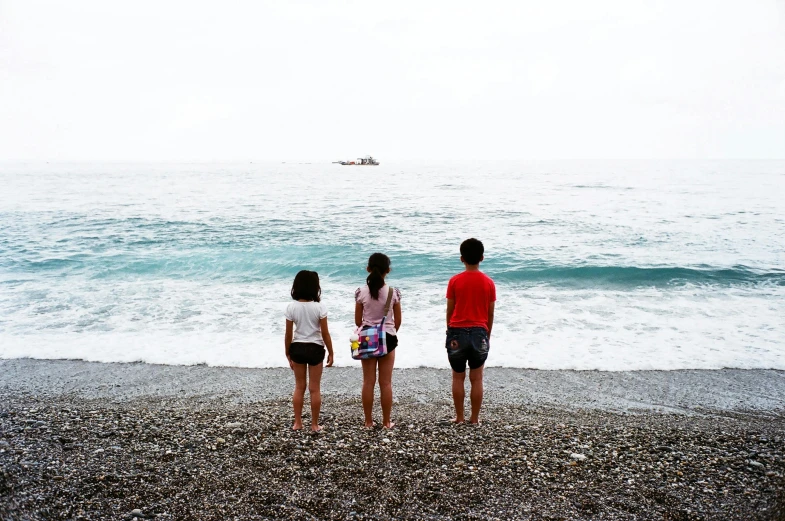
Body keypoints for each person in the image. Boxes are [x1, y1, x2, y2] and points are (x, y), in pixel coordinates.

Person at [445, 238, 496, 425]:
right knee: (477, 377)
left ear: (461, 258)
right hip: (479, 332)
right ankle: (474, 419)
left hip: (457, 331)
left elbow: (450, 310)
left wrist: (448, 329)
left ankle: (459, 417)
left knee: (458, 377)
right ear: (482, 257)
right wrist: (487, 333)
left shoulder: (454, 281)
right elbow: (490, 313)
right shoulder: (489, 283)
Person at [355, 253, 402, 429]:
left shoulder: (361, 292)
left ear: (368, 269)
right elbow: (398, 321)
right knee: (386, 382)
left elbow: (358, 321)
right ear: (387, 270)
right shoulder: (393, 292)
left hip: (367, 336)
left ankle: (368, 422)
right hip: (387, 337)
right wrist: (388, 332)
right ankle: (386, 422)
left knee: (368, 382)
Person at [284, 270, 334, 432]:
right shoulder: (319, 307)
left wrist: (287, 352)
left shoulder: (291, 307)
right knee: (314, 388)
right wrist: (331, 352)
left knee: (299, 387)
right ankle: (314, 424)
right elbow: (325, 333)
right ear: (315, 287)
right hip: (315, 348)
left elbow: (288, 334)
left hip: (297, 347)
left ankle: (297, 423)